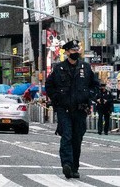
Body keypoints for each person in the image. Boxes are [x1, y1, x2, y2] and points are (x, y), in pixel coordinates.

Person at [45, 40, 99, 179]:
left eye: (77, 50)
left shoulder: (86, 68)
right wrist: (56, 99)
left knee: (77, 139)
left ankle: (75, 167)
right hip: (64, 109)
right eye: (73, 51)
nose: (76, 53)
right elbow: (49, 86)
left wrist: (89, 96)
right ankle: (67, 164)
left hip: (80, 109)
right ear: (67, 52)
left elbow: (95, 85)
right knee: (67, 136)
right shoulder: (59, 68)